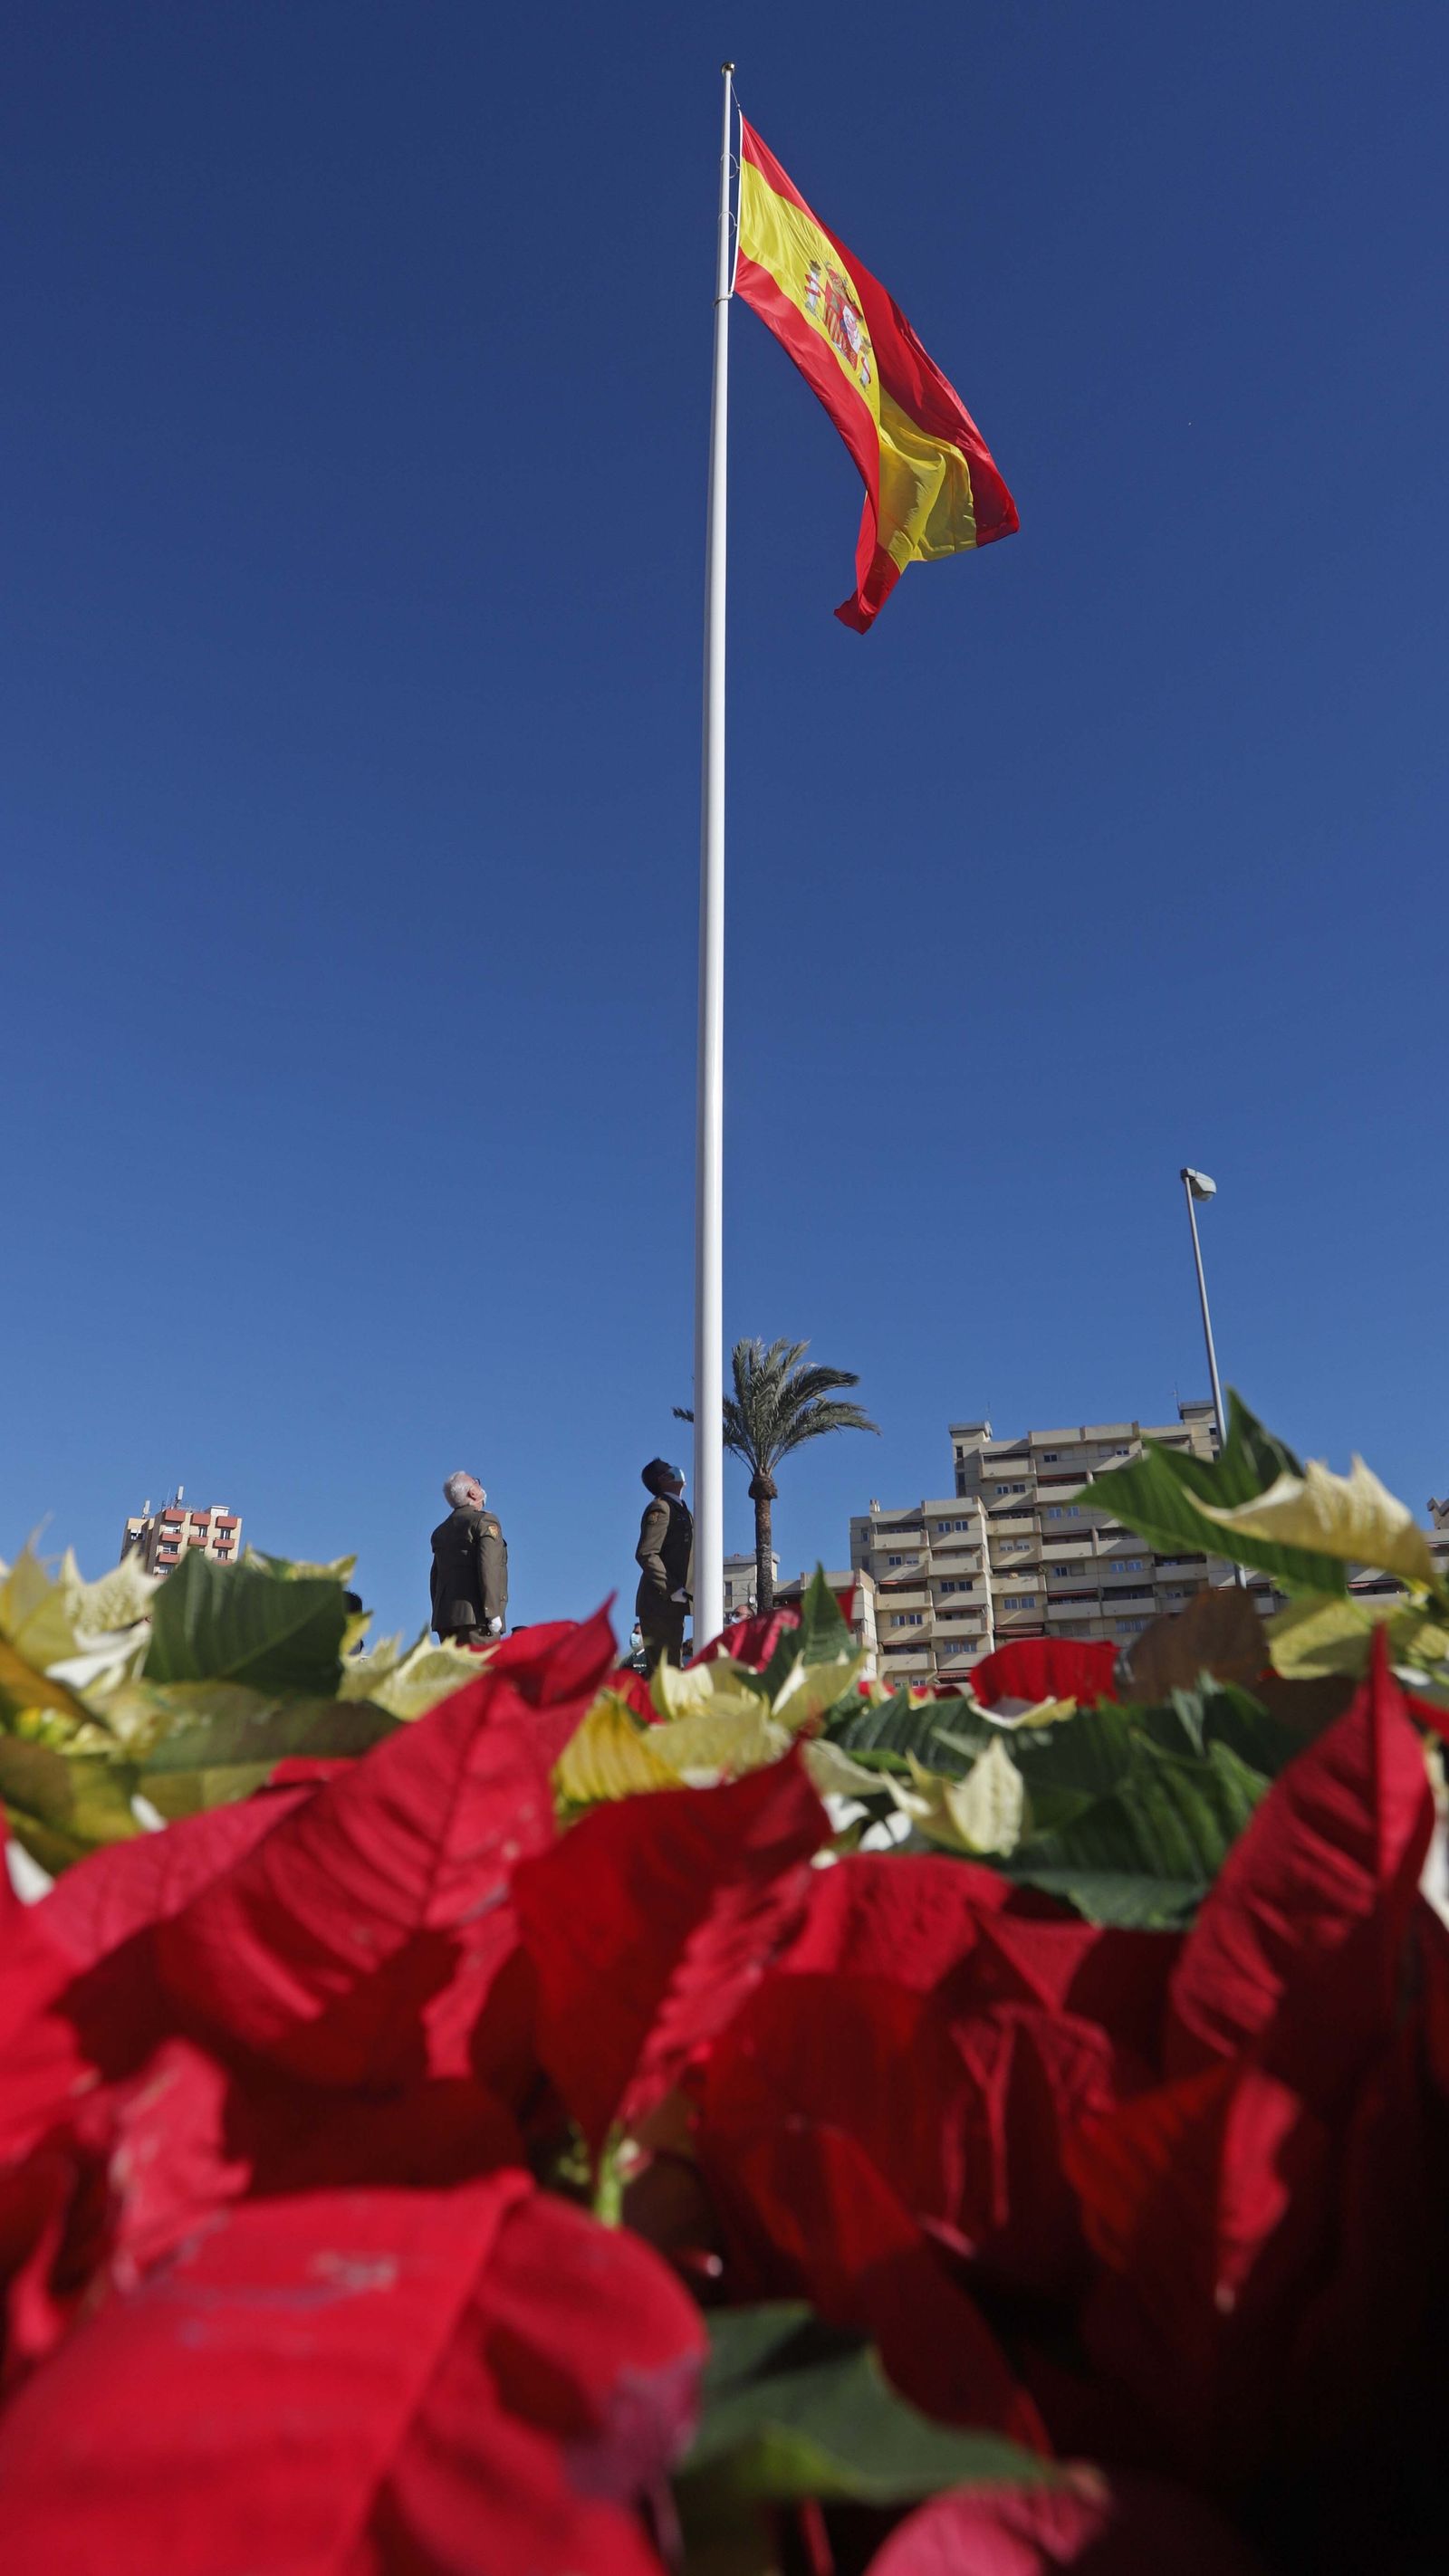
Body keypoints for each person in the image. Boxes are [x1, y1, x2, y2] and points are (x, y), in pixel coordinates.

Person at [430, 1471, 508, 1648]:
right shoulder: (485, 1521)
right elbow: (488, 1566)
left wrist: (438, 1614)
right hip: (478, 1618)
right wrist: (492, 1612)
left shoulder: (440, 1532)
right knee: (483, 1665)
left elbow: (435, 1577)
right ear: (472, 1493)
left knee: (455, 1667)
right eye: (476, 1482)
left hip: (445, 1620)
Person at [635, 1458, 693, 1674]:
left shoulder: (681, 1509)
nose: (676, 1470)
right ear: (663, 1479)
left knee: (671, 1670)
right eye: (669, 1469)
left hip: (673, 1605)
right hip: (660, 1603)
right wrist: (673, 1589)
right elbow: (647, 1553)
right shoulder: (661, 1507)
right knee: (665, 1673)